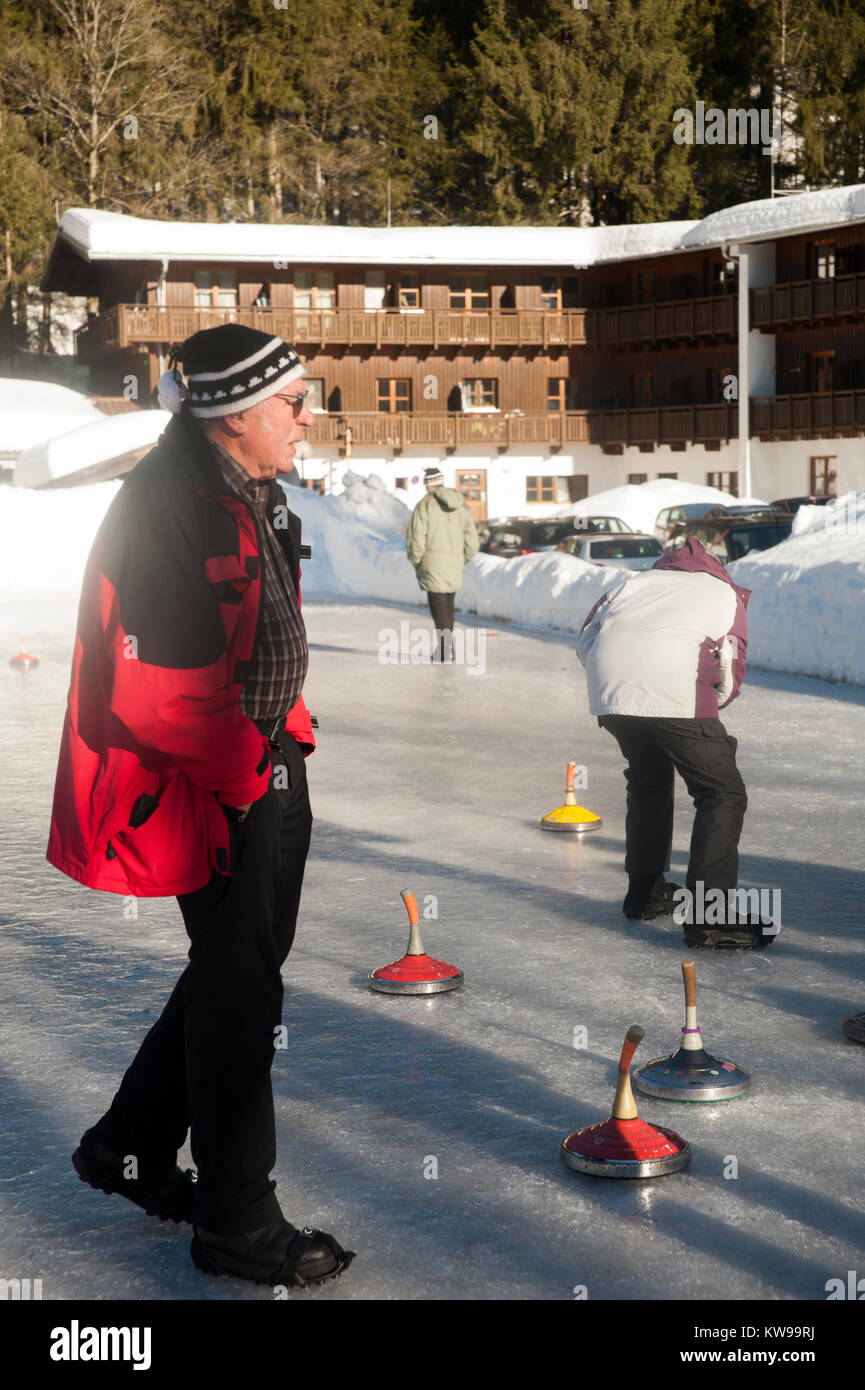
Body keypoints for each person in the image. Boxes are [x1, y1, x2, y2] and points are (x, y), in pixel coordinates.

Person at [47, 323, 354, 1288]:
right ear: (233, 415)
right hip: (209, 784)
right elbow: (159, 692)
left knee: (239, 972)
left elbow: (261, 626)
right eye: (294, 404)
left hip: (262, 759)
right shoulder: (166, 506)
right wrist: (246, 776)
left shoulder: (240, 487)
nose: (310, 419)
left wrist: (285, 735)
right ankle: (235, 1220)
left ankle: (130, 1145)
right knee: (239, 995)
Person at [576, 536, 773, 950]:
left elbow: (587, 637)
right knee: (721, 793)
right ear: (713, 567)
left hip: (612, 696)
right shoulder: (722, 592)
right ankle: (708, 917)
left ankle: (644, 894)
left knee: (648, 781)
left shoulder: (631, 584)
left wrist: (613, 687)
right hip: (675, 696)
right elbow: (730, 663)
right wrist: (710, 706)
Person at [405, 467, 479, 660]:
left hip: (432, 563)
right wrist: (463, 557)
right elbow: (472, 538)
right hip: (454, 563)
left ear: (428, 484)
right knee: (447, 607)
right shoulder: (462, 505)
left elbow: (416, 537)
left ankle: (445, 650)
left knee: (438, 609)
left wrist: (415, 560)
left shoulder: (425, 505)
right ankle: (446, 647)